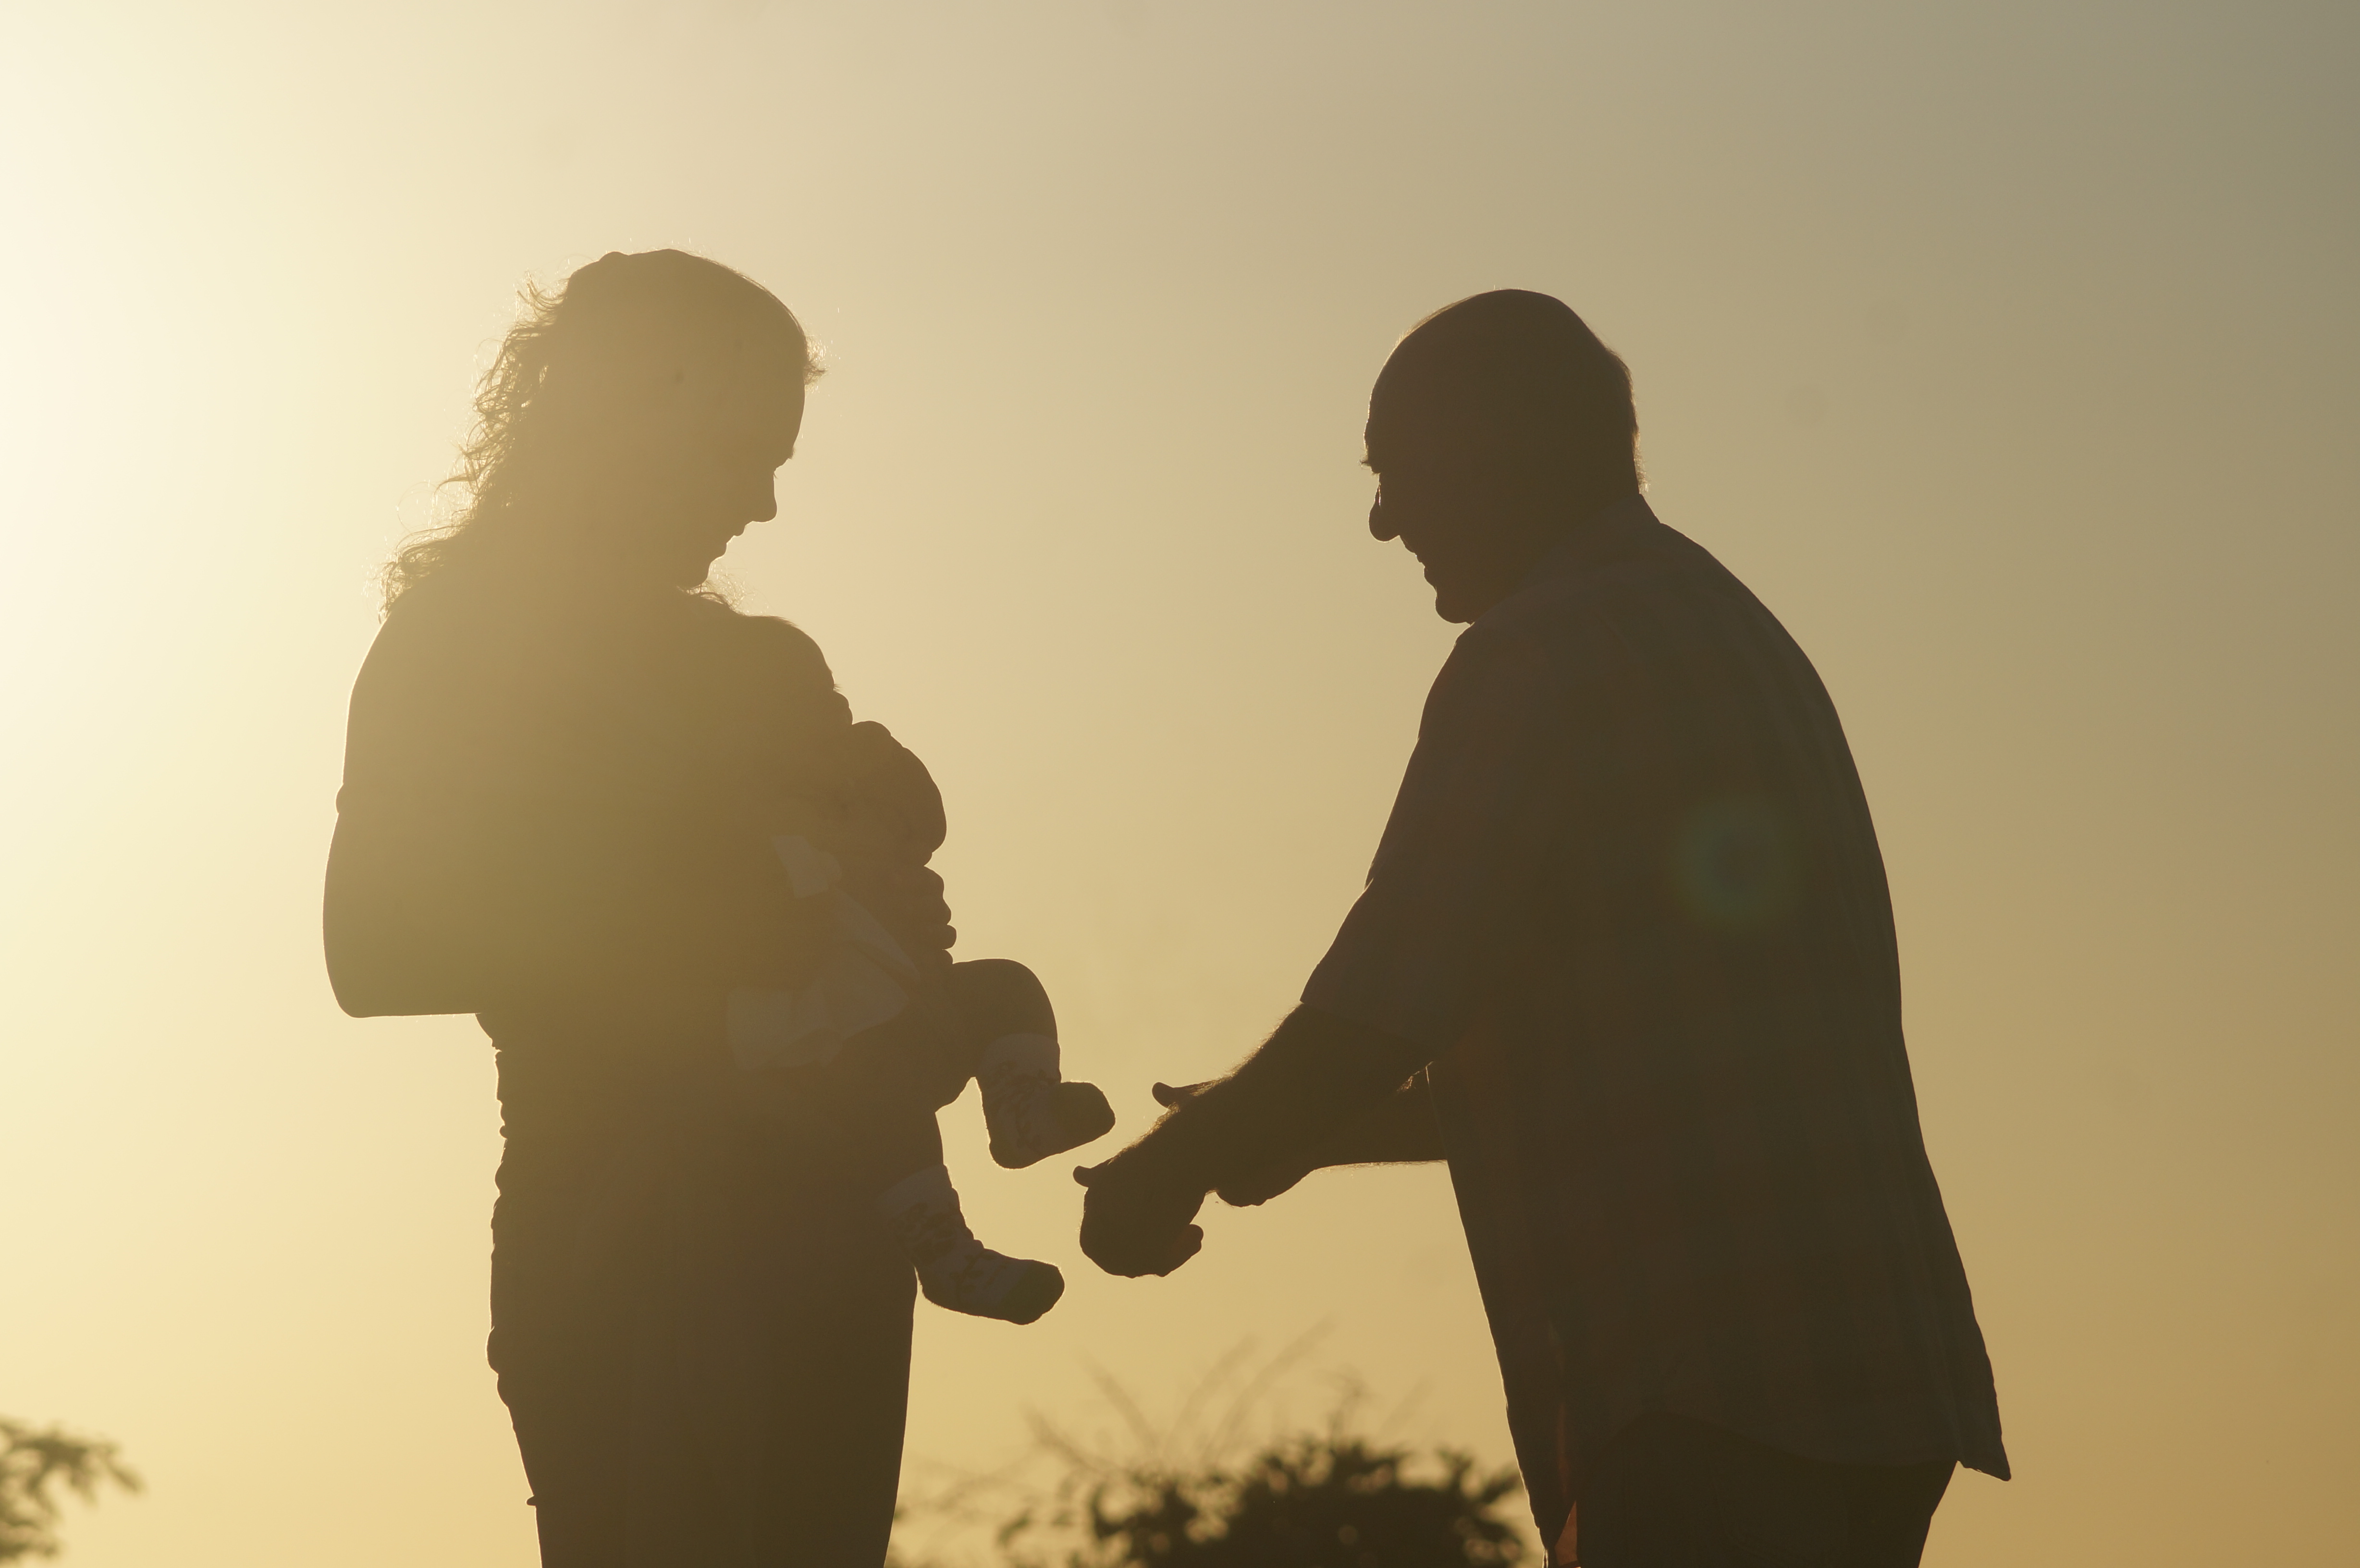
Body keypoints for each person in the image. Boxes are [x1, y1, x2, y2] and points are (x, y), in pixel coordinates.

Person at [1076, 291, 2008, 1568]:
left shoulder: (1541, 656)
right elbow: (1628, 1060)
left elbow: (1384, 998)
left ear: (1491, 451)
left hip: (1709, 1377)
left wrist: (1172, 1167)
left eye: (1395, 473)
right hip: (1864, 1363)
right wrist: (1274, 1130)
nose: (1383, 520)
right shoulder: (1726, 627)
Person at [323, 248, 1106, 1567]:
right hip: (629, 1227)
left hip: (833, 1214)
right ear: (638, 420)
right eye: (748, 450)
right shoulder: (456, 643)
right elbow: (376, 946)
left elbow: (882, 870)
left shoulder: (751, 664)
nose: (764, 502)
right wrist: (704, 910)